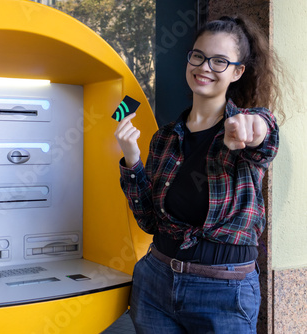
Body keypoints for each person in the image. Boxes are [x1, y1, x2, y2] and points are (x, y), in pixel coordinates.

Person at [114, 16, 283, 333]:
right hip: (155, 284)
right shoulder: (164, 138)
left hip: (223, 292)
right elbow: (149, 221)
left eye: (220, 61)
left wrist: (253, 127)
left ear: (237, 71)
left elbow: (264, 132)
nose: (205, 67)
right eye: (198, 56)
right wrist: (132, 159)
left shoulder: (244, 128)